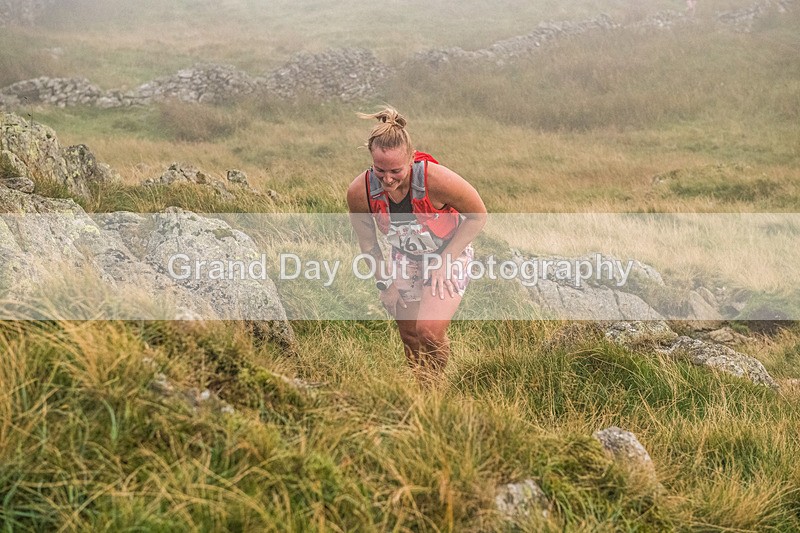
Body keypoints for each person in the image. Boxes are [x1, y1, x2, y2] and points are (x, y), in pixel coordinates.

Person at [347, 107, 487, 382]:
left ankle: (438, 386)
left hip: (448, 252)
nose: (387, 179)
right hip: (405, 256)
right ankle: (422, 391)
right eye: (380, 170)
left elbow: (478, 215)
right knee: (409, 335)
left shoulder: (436, 179)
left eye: (396, 171)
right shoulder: (360, 192)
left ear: (412, 158)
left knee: (428, 332)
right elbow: (368, 243)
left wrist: (445, 262)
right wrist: (384, 284)